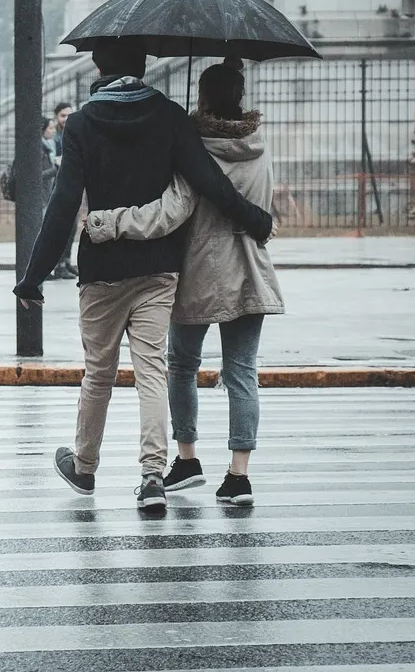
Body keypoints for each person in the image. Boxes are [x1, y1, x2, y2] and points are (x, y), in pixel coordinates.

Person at [11, 40, 273, 512]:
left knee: (99, 373)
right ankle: (153, 476)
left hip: (102, 269)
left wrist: (33, 277)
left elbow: (64, 204)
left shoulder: (83, 123)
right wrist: (252, 217)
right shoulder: (170, 117)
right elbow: (207, 181)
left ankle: (85, 468)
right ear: (146, 64)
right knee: (152, 371)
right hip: (159, 267)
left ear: (97, 64)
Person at [84, 64, 285, 505]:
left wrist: (111, 223)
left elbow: (174, 209)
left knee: (179, 367)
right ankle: (239, 476)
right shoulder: (259, 144)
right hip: (251, 270)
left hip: (200, 270)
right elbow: (263, 206)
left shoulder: (195, 147)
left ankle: (188, 458)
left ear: (204, 96)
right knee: (242, 373)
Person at [53, 102, 80, 280]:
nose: (66, 119)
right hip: (59, 186)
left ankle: (66, 262)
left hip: (72, 184)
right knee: (61, 227)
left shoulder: (73, 133)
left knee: (72, 227)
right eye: (63, 115)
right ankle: (59, 265)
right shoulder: (54, 137)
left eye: (69, 115)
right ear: (56, 116)